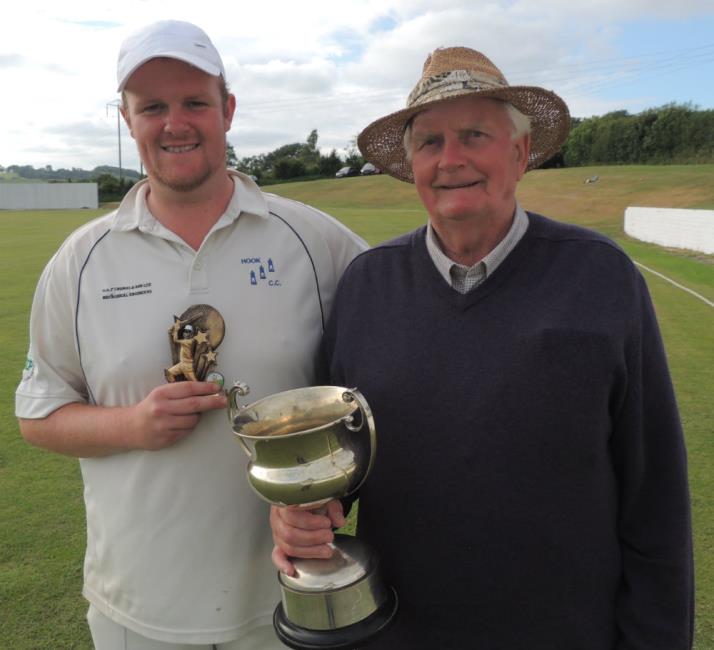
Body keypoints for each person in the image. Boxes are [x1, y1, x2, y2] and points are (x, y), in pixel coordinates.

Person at [270, 47, 694, 649]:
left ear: (520, 153)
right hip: (399, 632)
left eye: (475, 135)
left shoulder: (602, 278)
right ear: (411, 165)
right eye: (430, 142)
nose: (452, 160)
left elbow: (656, 500)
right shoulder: (366, 285)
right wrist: (299, 513)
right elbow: (334, 465)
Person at [15, 19, 366, 650]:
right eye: (152, 106)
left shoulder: (317, 243)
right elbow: (38, 417)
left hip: (287, 601)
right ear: (128, 121)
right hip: (136, 610)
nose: (175, 123)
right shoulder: (81, 260)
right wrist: (130, 426)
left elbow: (388, 384)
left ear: (228, 111)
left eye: (195, 102)